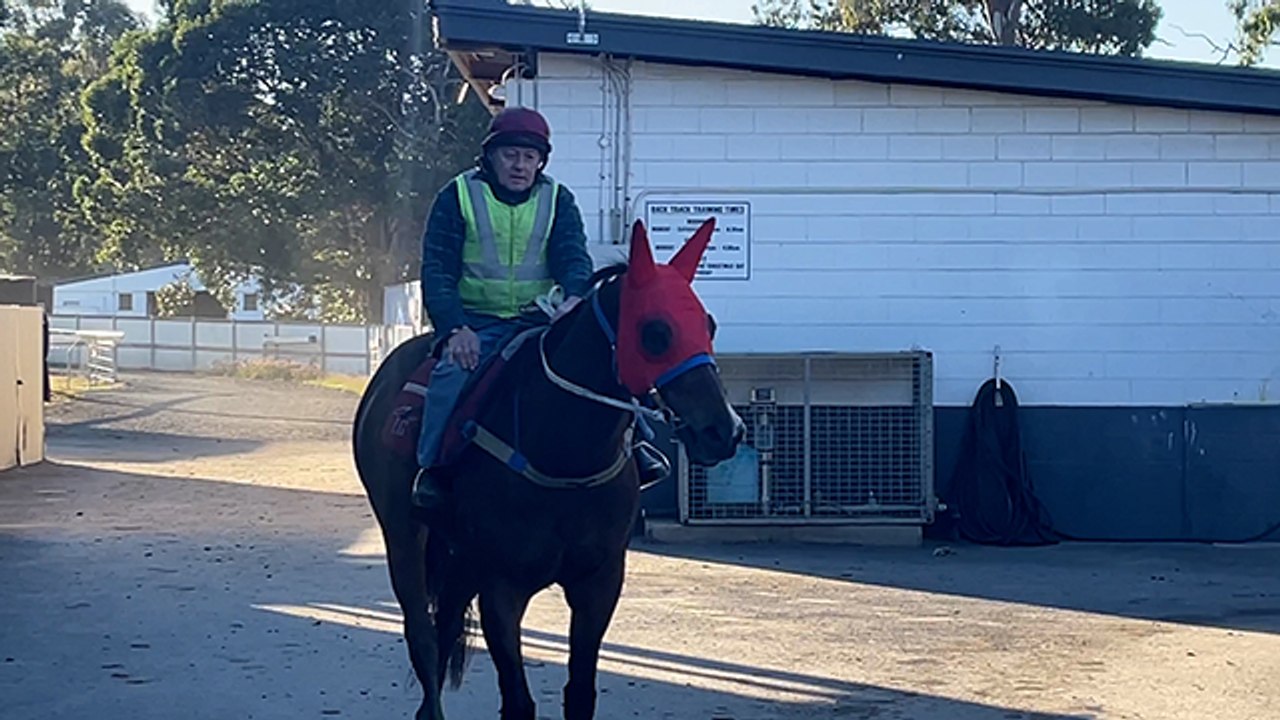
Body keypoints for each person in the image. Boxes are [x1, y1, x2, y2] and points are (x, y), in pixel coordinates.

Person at [412, 106, 669, 509]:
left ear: (541, 161)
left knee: (607, 363)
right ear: (491, 157)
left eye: (529, 157)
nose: (520, 165)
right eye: (511, 154)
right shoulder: (458, 195)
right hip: (477, 324)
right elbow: (438, 268)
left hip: (541, 318)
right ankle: (434, 469)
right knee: (449, 374)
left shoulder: (557, 199)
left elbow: (573, 256)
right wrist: (454, 328)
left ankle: (639, 448)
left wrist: (572, 296)